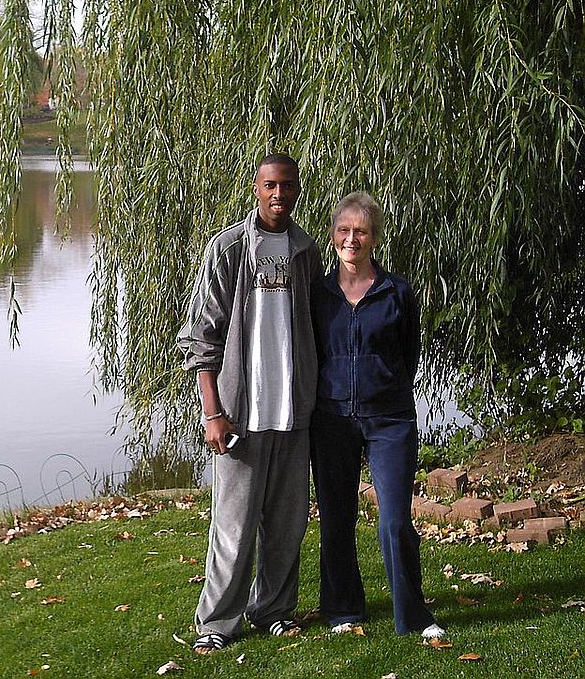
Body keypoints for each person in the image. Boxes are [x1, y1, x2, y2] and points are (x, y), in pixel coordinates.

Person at [176, 153, 322, 654]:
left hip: (292, 412)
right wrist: (212, 412)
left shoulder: (306, 251)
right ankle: (218, 621)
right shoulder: (229, 248)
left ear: (297, 191)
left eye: (288, 186)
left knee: (287, 525)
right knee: (233, 528)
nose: (279, 194)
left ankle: (273, 610)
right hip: (240, 414)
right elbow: (202, 336)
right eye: (270, 185)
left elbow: (314, 325)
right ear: (257, 189)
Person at [309, 191, 445, 639]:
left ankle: (414, 616)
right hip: (331, 419)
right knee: (336, 517)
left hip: (390, 420)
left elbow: (409, 354)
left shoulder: (396, 292)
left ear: (374, 237)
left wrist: (383, 387)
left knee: (394, 520)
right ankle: (343, 610)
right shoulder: (318, 294)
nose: (352, 239)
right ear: (333, 235)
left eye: (361, 231)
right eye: (344, 230)